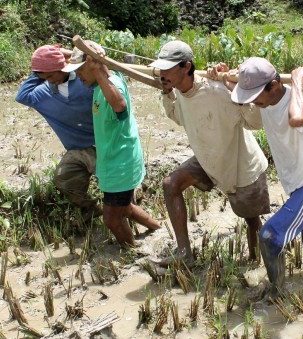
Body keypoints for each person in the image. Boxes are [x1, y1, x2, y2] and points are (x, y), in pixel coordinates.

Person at [226, 57, 303, 300]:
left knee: (269, 236)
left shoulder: (299, 102)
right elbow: (236, 88)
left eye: (256, 96)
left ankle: (276, 293)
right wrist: (225, 75)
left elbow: (297, 119)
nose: (253, 102)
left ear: (275, 86)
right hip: (295, 183)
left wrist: (297, 82)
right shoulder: (265, 102)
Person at [151, 41, 270, 265]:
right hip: (208, 160)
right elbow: (178, 116)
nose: (161, 73)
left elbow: (255, 122)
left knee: (251, 220)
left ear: (186, 67)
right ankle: (185, 253)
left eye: (167, 68)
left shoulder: (216, 90)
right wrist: (167, 93)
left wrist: (235, 90)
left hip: (240, 164)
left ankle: (258, 261)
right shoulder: (178, 92)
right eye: (161, 68)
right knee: (170, 184)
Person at [65, 41, 160, 247]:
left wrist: (97, 69)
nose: (78, 76)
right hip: (114, 160)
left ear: (94, 66)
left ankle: (131, 251)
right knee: (124, 208)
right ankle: (158, 229)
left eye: (80, 70)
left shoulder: (111, 85)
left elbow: (120, 106)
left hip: (120, 163)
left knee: (112, 218)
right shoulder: (101, 84)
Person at [15, 44, 102, 222]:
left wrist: (69, 57)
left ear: (62, 67)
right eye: (43, 77)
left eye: (51, 75)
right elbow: (21, 96)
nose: (49, 80)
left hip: (102, 144)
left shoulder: (84, 79)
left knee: (115, 188)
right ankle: (93, 209)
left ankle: (123, 213)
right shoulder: (43, 93)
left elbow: (109, 80)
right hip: (77, 149)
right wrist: (40, 68)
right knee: (64, 179)